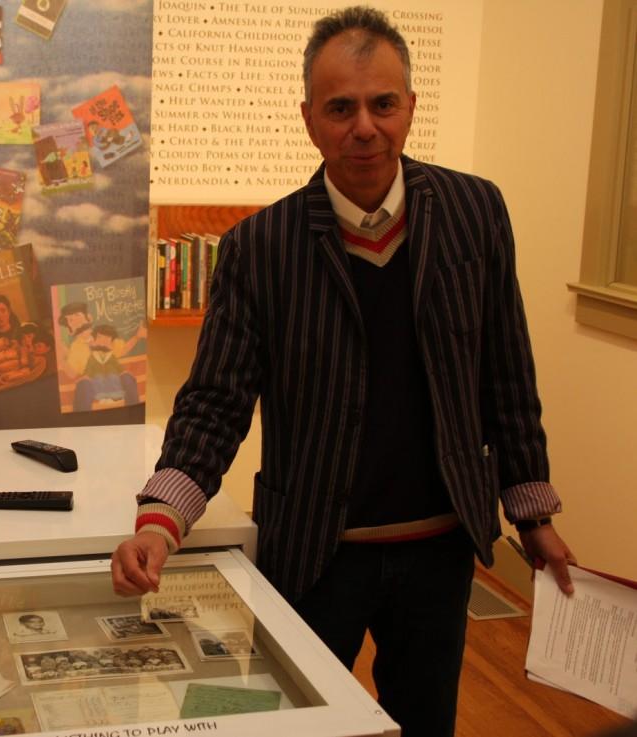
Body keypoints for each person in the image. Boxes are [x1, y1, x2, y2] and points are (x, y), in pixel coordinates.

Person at [111, 7, 576, 737]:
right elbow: (214, 403)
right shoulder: (260, 248)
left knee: (425, 723)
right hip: (315, 553)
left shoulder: (474, 212)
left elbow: (506, 372)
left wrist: (534, 513)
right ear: (310, 119)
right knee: (301, 724)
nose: (364, 126)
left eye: (382, 103)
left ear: (409, 108)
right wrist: (160, 520)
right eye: (341, 107)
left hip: (440, 549)